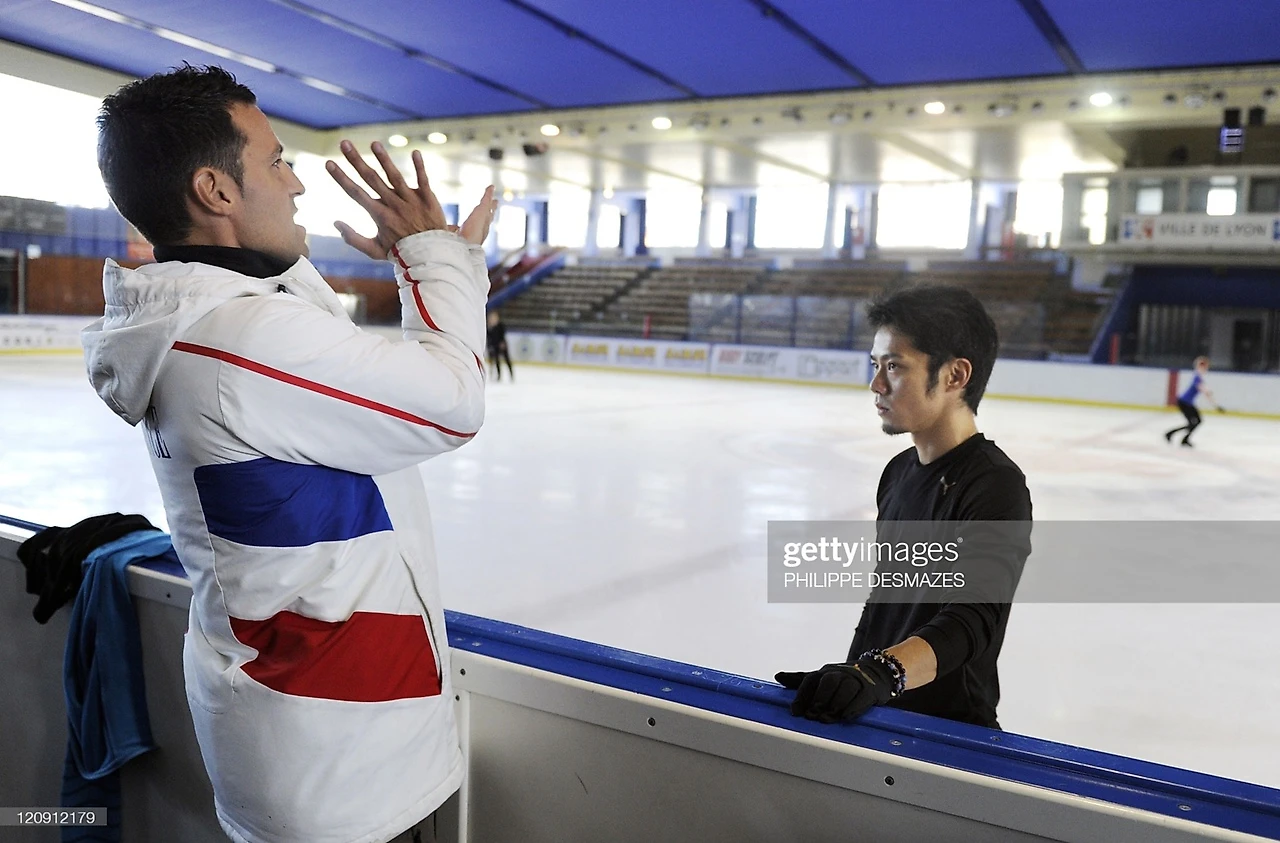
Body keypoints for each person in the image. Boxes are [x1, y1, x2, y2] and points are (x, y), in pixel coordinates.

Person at [83, 65, 497, 843]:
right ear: (216, 190)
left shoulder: (218, 313)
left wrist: (419, 253)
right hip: (342, 760)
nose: (298, 184)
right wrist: (434, 258)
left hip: (327, 733)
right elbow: (453, 404)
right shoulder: (239, 341)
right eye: (278, 161)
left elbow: (301, 322)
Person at [777, 286, 1032, 729]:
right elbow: (884, 600)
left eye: (894, 367)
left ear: (954, 376)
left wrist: (881, 673)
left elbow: (972, 616)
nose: (876, 385)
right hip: (878, 714)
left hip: (950, 733)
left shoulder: (995, 485)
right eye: (876, 365)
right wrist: (853, 673)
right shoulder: (898, 472)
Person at [1165, 356, 1224, 447]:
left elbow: (1204, 390)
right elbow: (1203, 389)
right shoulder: (1197, 377)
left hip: (1187, 403)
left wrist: (1215, 404)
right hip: (1184, 402)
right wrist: (1215, 404)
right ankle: (1173, 435)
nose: (1207, 368)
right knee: (1194, 423)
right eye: (1205, 366)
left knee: (1196, 422)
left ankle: (1177, 436)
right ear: (1202, 366)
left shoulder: (1198, 377)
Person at [486, 310, 514, 381]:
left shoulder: (500, 325)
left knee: (507, 360)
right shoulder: (489, 327)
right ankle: (499, 375)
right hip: (495, 346)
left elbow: (502, 335)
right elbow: (489, 338)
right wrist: (489, 346)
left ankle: (511, 374)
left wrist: (502, 343)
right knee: (497, 361)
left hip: (502, 345)